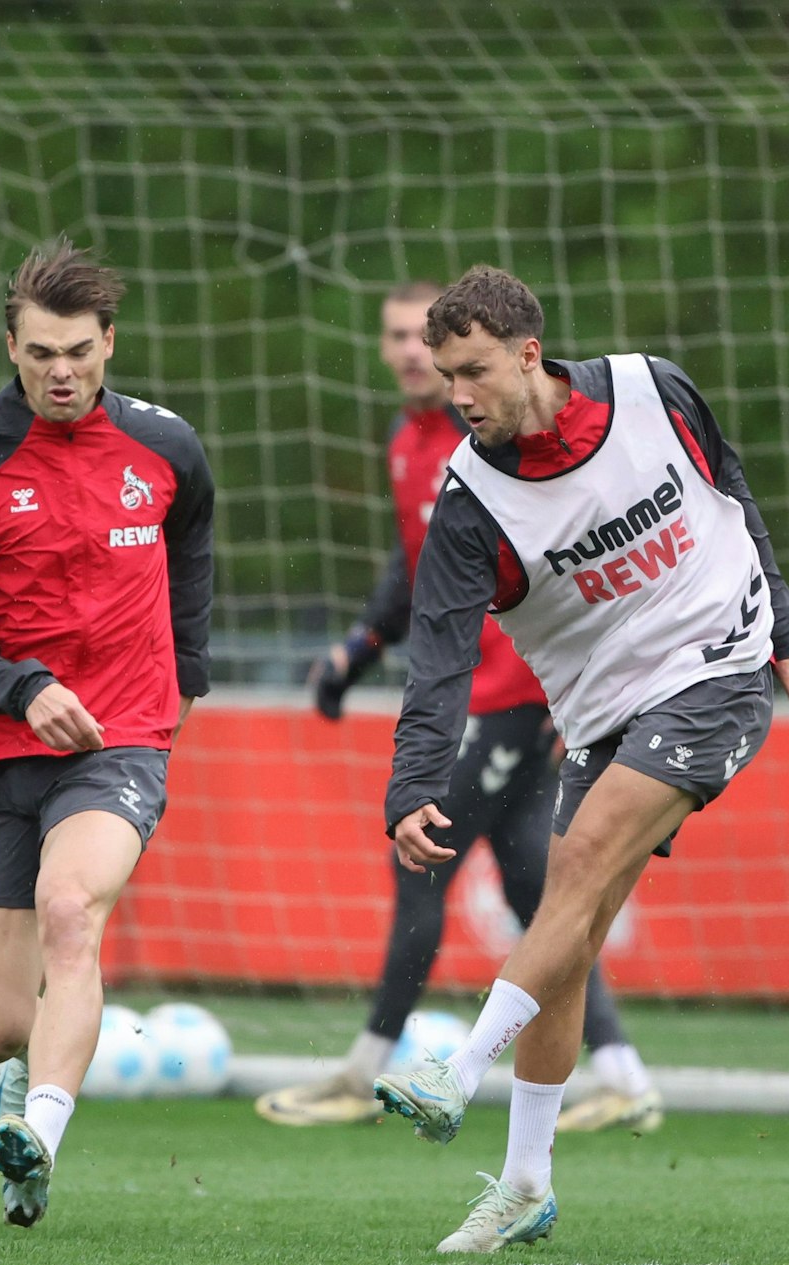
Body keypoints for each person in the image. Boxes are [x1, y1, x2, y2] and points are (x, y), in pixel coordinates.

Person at [370, 266, 789, 1252]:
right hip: (600, 714)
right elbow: (435, 654)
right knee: (568, 935)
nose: (460, 396)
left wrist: (781, 620)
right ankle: (526, 1183)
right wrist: (411, 781)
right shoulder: (471, 500)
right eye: (446, 377)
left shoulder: (653, 390)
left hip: (719, 669)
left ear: (530, 353)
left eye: (475, 372)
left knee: (569, 873)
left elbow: (727, 488)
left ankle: (455, 1067)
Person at [256, 281, 661, 1133]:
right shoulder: (410, 442)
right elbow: (419, 572)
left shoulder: (496, 440)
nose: (410, 352)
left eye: (422, 336)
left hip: (514, 697)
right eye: (398, 337)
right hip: (469, 695)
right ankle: (624, 1072)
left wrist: (575, 695)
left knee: (423, 855)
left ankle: (364, 1068)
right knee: (531, 890)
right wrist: (359, 648)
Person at [0, 238, 214, 1228]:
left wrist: (184, 683)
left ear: (109, 343)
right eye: (40, 354)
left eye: (77, 351)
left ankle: (40, 1138)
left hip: (118, 739)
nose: (61, 373)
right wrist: (23, 687)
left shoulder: (166, 449)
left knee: (70, 909)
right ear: (12, 348)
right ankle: (21, 1081)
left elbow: (191, 556)